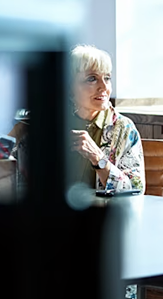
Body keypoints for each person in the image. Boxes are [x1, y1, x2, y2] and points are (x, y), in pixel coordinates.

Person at [8, 44, 145, 193]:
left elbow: (135, 190)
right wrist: (14, 137)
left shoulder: (124, 129)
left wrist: (99, 159)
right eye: (92, 79)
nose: (104, 87)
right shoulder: (44, 123)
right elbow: (3, 180)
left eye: (107, 78)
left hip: (101, 215)